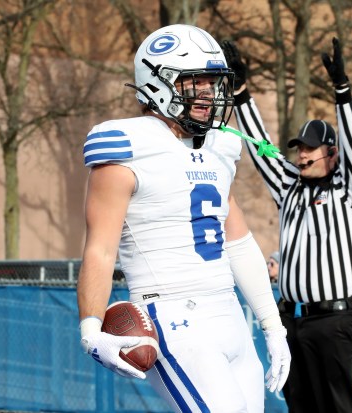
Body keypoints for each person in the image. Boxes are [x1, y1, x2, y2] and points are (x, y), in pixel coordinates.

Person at [76, 24, 291, 413]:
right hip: (175, 316)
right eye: (197, 82)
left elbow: (238, 243)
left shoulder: (220, 146)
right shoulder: (126, 145)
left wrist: (272, 325)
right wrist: (90, 329)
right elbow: (101, 250)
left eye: (213, 83)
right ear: (159, 83)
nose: (209, 94)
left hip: (229, 314)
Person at [225, 38, 352, 413]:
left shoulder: (349, 189)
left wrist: (342, 91)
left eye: (309, 148)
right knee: (300, 407)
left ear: (330, 153)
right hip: (292, 318)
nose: (301, 154)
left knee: (340, 407)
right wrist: (241, 93)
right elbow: (261, 148)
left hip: (336, 318)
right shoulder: (289, 186)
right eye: (299, 148)